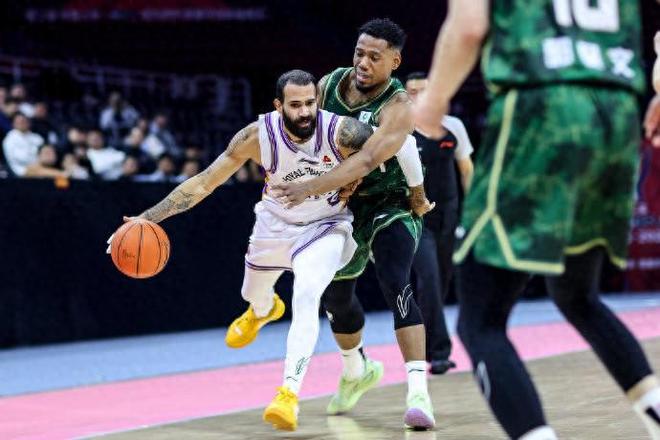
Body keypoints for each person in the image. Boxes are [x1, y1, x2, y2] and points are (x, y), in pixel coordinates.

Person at [112, 70, 421, 431]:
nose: (305, 112)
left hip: (326, 225)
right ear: (278, 106)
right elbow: (203, 184)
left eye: (310, 103)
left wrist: (414, 191)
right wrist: (147, 219)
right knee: (252, 293)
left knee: (307, 295)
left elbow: (401, 143)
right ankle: (263, 309)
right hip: (274, 225)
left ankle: (288, 393)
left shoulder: (341, 131)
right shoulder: (257, 137)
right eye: (295, 105)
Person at [412, 1, 660, 439]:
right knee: (578, 295)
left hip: (543, 107)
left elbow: (468, 27)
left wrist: (432, 104)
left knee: (480, 319)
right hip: (617, 111)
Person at [271, 18, 436, 429]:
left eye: (374, 57)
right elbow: (309, 137)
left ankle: (418, 393)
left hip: (389, 198)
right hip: (342, 203)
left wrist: (417, 195)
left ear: (394, 62)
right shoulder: (329, 84)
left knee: (396, 280)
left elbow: (383, 155)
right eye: (360, 52)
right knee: (336, 297)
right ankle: (355, 368)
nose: (363, 62)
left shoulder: (398, 106)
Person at [406, 71, 474, 375]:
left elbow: (467, 170)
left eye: (424, 90)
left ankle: (425, 343)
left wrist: (472, 213)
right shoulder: (401, 131)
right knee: (430, 280)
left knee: (440, 284)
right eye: (412, 92)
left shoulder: (453, 126)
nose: (419, 97)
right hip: (417, 220)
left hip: (449, 218)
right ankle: (440, 352)